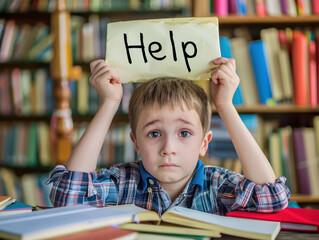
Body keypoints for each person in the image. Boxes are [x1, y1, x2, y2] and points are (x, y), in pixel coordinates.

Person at [46, 57, 290, 216]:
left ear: (204, 143)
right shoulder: (122, 182)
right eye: (154, 133)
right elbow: (69, 196)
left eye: (184, 133)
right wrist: (110, 101)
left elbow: (271, 197)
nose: (168, 148)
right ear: (136, 143)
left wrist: (225, 105)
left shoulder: (217, 185)